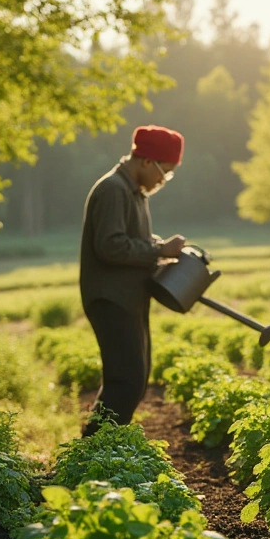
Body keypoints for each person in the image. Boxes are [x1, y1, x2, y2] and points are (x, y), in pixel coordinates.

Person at [78, 125, 186, 437]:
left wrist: (160, 249)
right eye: (163, 173)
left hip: (128, 297)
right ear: (147, 161)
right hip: (111, 298)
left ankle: (100, 449)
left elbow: (131, 238)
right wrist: (157, 250)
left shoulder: (133, 191)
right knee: (125, 380)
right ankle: (93, 451)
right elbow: (110, 245)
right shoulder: (113, 189)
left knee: (135, 378)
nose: (162, 181)